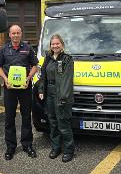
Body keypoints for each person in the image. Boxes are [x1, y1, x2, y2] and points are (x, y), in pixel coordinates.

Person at [0, 25, 39, 160]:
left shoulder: (28, 48)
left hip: (25, 88)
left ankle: (27, 145)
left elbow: (34, 66)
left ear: (21, 34)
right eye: (13, 33)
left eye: (18, 33)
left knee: (26, 116)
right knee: (9, 118)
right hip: (9, 89)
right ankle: (10, 147)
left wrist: (28, 78)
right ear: (9, 34)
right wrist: (4, 79)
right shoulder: (3, 49)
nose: (15, 35)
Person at [38, 34, 74, 163]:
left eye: (57, 43)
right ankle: (56, 147)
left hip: (61, 94)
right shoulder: (48, 58)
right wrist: (41, 90)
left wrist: (63, 97)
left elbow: (66, 80)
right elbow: (43, 75)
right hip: (50, 94)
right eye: (53, 44)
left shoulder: (67, 59)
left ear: (62, 45)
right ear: (50, 46)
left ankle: (69, 150)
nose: (55, 46)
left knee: (63, 123)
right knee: (52, 122)